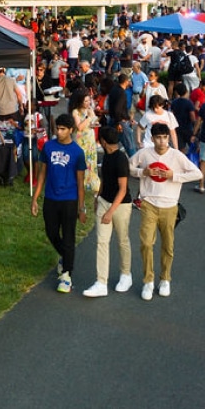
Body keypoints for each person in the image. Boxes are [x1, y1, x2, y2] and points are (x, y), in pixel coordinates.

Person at [129, 123, 203, 300]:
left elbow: (197, 173)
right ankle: (148, 280)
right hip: (148, 203)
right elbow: (129, 167)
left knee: (167, 245)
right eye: (158, 138)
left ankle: (165, 278)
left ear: (169, 138)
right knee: (146, 243)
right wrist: (143, 172)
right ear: (152, 138)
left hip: (170, 205)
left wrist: (174, 177)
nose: (162, 141)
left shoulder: (176, 156)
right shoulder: (145, 153)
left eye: (165, 137)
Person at [30, 112, 87, 294]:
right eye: (57, 129)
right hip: (51, 198)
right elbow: (42, 174)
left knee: (68, 236)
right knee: (51, 232)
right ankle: (66, 256)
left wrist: (81, 207)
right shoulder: (48, 147)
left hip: (69, 200)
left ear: (71, 130)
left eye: (63, 129)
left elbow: (80, 182)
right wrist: (35, 199)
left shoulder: (78, 153)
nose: (59, 132)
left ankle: (66, 275)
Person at [82, 125, 133, 297]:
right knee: (102, 241)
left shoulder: (120, 159)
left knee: (122, 240)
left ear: (103, 141)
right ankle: (101, 282)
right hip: (104, 201)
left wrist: (110, 211)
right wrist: (98, 198)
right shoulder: (107, 157)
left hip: (121, 206)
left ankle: (126, 274)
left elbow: (123, 189)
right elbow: (105, 178)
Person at [69, 87, 100, 192]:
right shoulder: (75, 112)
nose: (88, 103)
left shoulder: (89, 109)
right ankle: (80, 181)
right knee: (82, 160)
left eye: (88, 100)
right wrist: (89, 118)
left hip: (90, 138)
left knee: (91, 159)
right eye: (85, 101)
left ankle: (90, 181)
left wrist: (93, 121)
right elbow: (80, 127)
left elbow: (93, 120)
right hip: (81, 140)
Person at [170, 83, 196, 153]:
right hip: (188, 127)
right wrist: (195, 125)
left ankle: (182, 161)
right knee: (193, 146)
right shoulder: (189, 103)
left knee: (181, 148)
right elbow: (192, 116)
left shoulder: (174, 102)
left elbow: (172, 114)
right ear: (186, 91)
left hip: (177, 128)